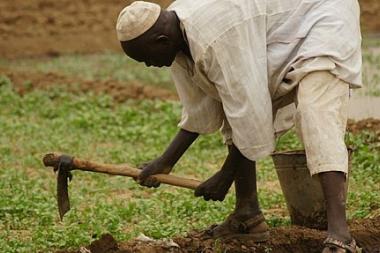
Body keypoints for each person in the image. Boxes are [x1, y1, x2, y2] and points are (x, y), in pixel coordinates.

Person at [115, 0, 362, 252]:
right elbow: (200, 109)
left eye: (146, 58)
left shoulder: (214, 37)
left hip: (323, 15)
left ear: (161, 40)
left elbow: (250, 111)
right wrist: (165, 161)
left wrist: (225, 175)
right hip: (280, 28)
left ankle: (340, 235)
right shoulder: (175, 39)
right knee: (233, 102)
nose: (148, 65)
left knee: (316, 113)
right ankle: (248, 215)